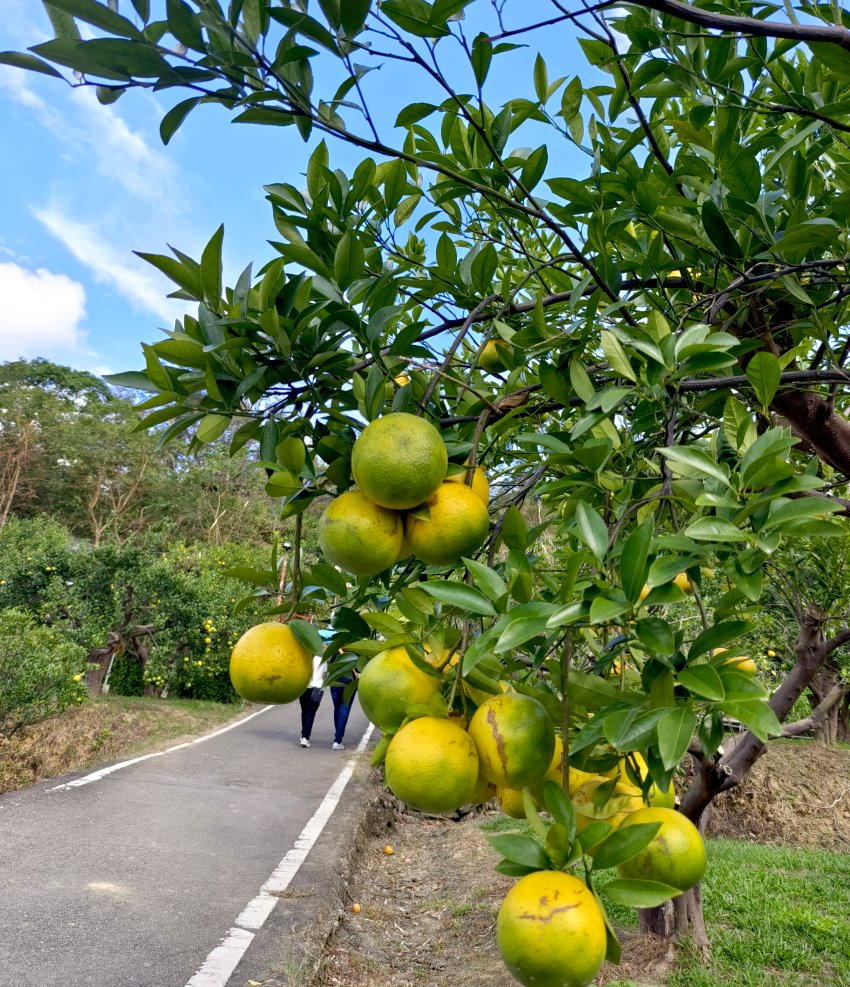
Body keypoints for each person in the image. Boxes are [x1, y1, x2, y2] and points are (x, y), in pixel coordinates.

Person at [329, 648, 358, 751]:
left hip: (335, 685)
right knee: (343, 711)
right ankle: (337, 740)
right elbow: (359, 669)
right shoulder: (355, 652)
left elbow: (330, 667)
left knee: (337, 710)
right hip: (349, 685)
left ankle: (337, 736)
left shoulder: (337, 651)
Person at [298, 653, 326, 748]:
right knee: (310, 714)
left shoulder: (304, 657)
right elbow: (325, 673)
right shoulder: (322, 659)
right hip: (316, 689)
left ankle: (303, 734)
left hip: (303, 688)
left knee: (304, 712)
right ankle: (305, 737)